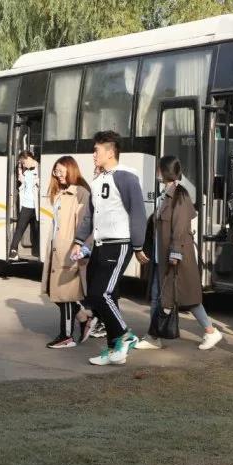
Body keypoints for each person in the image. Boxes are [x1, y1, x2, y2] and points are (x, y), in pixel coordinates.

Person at [69, 131, 148, 367]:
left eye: (97, 150)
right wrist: (79, 241)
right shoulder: (97, 181)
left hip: (119, 244)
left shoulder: (126, 177)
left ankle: (125, 335)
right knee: (99, 296)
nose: (93, 154)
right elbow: (90, 215)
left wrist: (138, 245)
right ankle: (114, 349)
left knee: (102, 293)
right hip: (100, 245)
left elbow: (138, 212)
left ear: (110, 152)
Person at [135, 156, 223, 351]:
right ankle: (154, 336)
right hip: (162, 257)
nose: (157, 172)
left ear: (165, 171)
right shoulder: (165, 194)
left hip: (175, 258)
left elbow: (180, 227)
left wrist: (175, 253)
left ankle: (209, 331)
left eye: (159, 168)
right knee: (160, 296)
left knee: (187, 298)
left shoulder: (179, 195)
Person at [41, 156, 94, 349]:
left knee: (65, 295)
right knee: (54, 291)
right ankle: (84, 318)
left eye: (62, 171)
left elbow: (85, 224)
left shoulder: (81, 193)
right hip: (57, 249)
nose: (58, 175)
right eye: (56, 171)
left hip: (70, 250)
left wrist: (81, 248)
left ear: (71, 170)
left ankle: (66, 337)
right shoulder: (60, 193)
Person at [9, 150, 39, 261]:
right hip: (26, 205)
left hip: (37, 206)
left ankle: (37, 251)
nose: (23, 165)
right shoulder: (26, 172)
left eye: (23, 162)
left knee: (36, 230)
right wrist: (19, 168)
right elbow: (20, 179)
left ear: (28, 158)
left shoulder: (39, 169)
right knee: (20, 228)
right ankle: (13, 250)